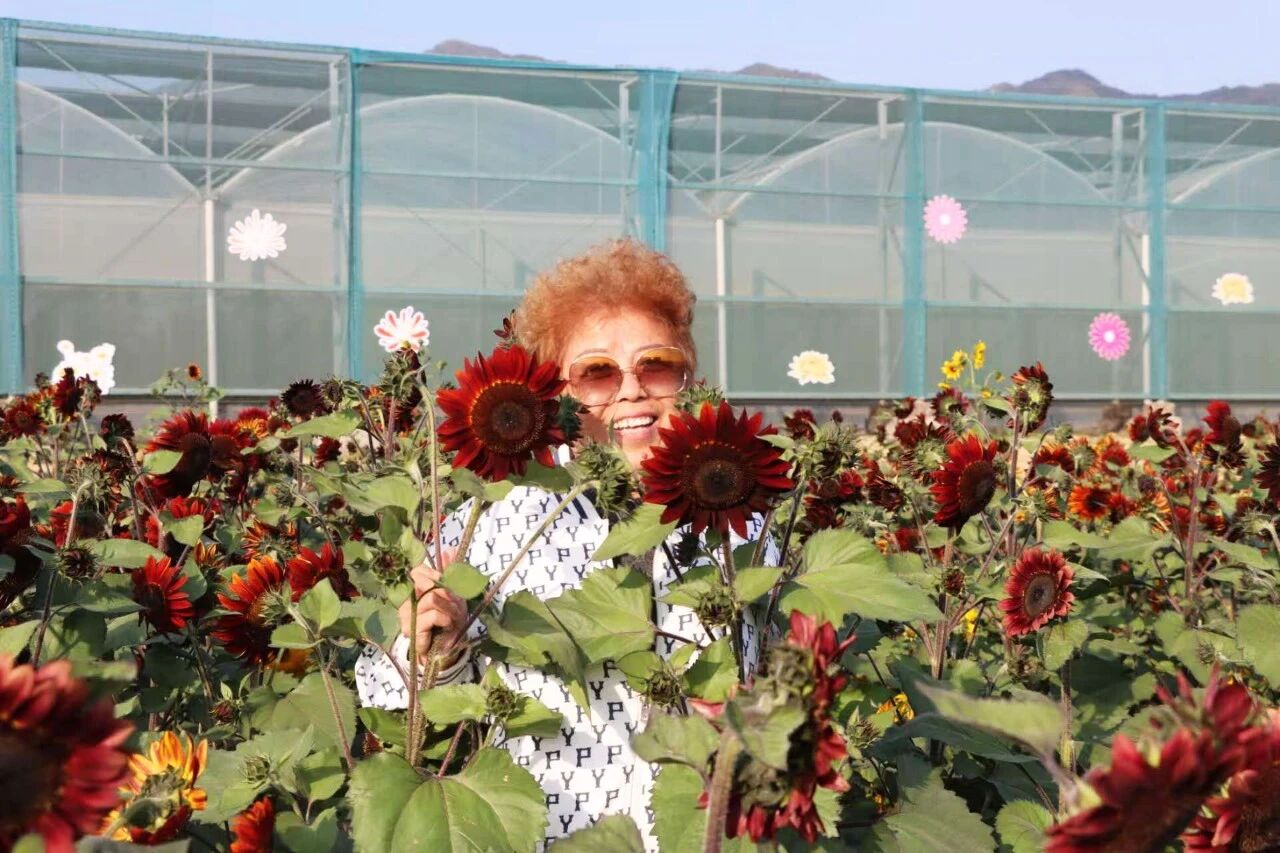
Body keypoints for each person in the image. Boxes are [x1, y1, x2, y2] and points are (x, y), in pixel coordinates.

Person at [355, 240, 775, 849]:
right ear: (558, 395)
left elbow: (780, 672)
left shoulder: (743, 518)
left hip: (709, 829)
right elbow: (394, 690)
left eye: (656, 365)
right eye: (597, 372)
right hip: (561, 829)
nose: (631, 391)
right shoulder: (498, 516)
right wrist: (434, 646)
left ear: (688, 376)